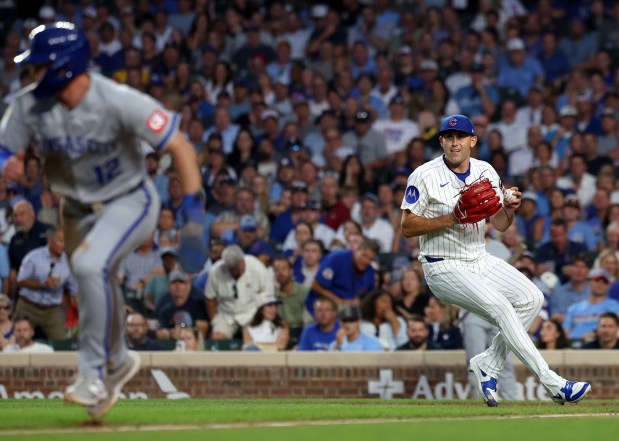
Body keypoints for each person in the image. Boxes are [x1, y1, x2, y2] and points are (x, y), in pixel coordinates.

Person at [0, 23, 203, 418]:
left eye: (40, 66)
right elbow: (4, 148)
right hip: (74, 207)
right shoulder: (28, 105)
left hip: (128, 201)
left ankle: (92, 372)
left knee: (90, 266)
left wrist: (193, 210)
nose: (33, 73)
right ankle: (119, 360)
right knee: (94, 280)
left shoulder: (118, 99)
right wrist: (7, 163)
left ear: (64, 67)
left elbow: (178, 144)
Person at [400, 114, 591, 407]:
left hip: (479, 257)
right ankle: (553, 382)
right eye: (449, 137)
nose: (455, 142)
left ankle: (488, 363)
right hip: (442, 264)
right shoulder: (423, 175)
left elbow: (500, 224)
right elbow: (407, 226)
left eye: (461, 137)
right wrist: (451, 218)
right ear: (441, 141)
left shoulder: (485, 170)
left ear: (472, 141)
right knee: (502, 306)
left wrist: (510, 207)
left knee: (532, 299)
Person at [14, 226, 77, 340]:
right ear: (50, 240)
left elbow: (74, 290)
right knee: (14, 341)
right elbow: (20, 280)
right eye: (61, 240)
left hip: (51, 311)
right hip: (28, 306)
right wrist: (42, 284)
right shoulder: (33, 257)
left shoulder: (69, 262)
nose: (64, 245)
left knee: (63, 346)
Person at [205, 245, 272, 340]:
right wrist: (215, 320)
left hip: (252, 312)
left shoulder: (257, 267)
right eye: (233, 270)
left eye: (239, 268)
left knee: (256, 338)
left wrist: (260, 315)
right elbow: (210, 298)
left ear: (243, 260)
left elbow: (268, 294)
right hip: (226, 314)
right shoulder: (216, 271)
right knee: (217, 337)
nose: (236, 272)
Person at [305, 238, 379, 316]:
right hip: (318, 308)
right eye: (364, 255)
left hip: (348, 312)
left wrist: (359, 301)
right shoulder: (337, 258)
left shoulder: (370, 272)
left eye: (370, 259)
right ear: (356, 250)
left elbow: (369, 297)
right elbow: (316, 285)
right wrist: (340, 301)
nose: (366, 261)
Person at [563, 268, 619, 342]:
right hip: (575, 345)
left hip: (600, 345)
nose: (600, 285)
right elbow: (565, 332)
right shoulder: (574, 308)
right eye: (597, 281)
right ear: (589, 283)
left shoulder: (614, 306)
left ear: (608, 286)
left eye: (604, 282)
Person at [154, 269, 209, 339]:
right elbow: (163, 327)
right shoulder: (166, 309)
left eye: (181, 282)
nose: (177, 286)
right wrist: (167, 333)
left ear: (188, 286)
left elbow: (202, 329)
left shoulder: (198, 305)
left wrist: (182, 329)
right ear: (169, 287)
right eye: (174, 283)